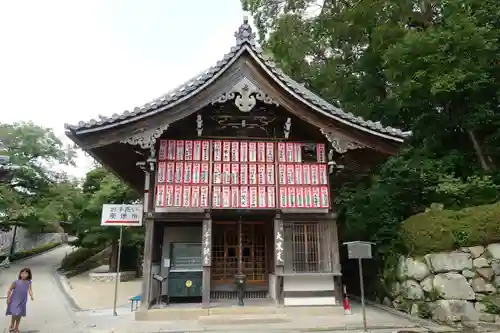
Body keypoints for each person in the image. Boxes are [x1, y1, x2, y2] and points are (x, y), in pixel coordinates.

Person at [5, 268, 34, 333]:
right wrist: (8, 298)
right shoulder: (16, 282)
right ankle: (12, 324)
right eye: (22, 273)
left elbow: (30, 289)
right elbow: (10, 290)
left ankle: (16, 327)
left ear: (29, 275)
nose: (24, 275)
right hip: (14, 300)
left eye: (26, 273)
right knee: (14, 313)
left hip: (23, 300)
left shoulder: (29, 282)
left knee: (19, 314)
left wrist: (31, 295)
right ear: (20, 274)